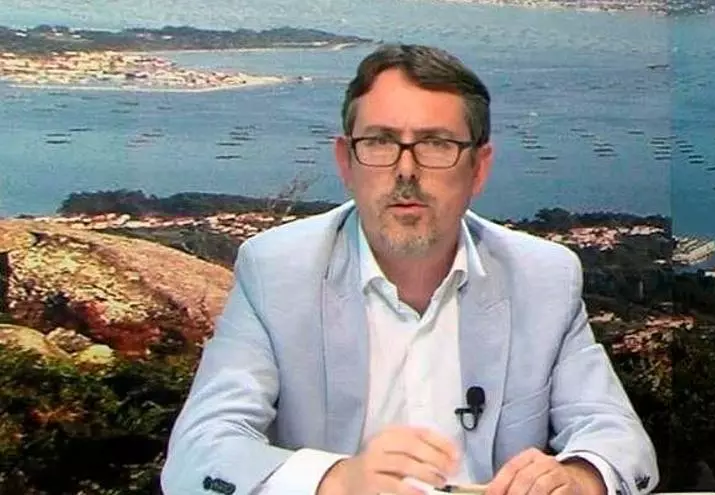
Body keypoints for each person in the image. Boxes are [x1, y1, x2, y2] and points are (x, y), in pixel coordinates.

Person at [160, 43, 659, 495]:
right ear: (346, 162)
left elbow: (618, 439)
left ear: (479, 168)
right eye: (379, 141)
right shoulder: (276, 271)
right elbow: (199, 455)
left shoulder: (543, 276)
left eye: (436, 143)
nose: (405, 170)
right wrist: (336, 481)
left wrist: (579, 478)